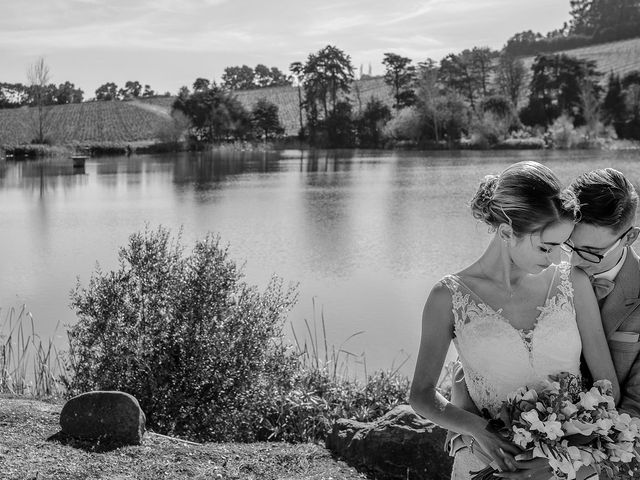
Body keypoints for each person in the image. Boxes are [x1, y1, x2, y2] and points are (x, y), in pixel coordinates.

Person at [409, 161, 620, 480]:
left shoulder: (572, 282)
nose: (553, 258)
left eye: (559, 246)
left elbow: (608, 388)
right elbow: (421, 395)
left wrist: (557, 458)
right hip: (488, 464)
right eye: (545, 246)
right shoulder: (448, 296)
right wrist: (478, 429)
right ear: (507, 231)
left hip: (567, 469)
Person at [478, 168, 640, 479]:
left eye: (592, 253)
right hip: (518, 442)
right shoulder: (539, 270)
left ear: (630, 236)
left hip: (607, 462)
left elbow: (637, 409)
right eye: (568, 245)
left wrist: (561, 458)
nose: (574, 263)